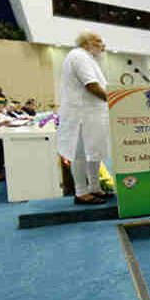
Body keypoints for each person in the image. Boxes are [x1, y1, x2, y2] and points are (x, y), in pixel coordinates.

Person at [57, 31, 112, 205]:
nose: (102, 44)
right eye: (98, 41)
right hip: (81, 115)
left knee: (94, 152)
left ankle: (95, 188)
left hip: (93, 115)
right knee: (80, 153)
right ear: (86, 42)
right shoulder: (78, 56)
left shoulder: (89, 58)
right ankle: (81, 192)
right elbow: (92, 86)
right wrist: (115, 102)